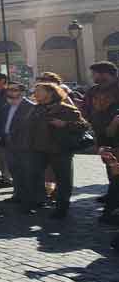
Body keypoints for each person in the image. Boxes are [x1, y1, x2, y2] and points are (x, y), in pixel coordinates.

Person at [28, 82, 90, 218]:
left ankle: (61, 209)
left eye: (39, 90)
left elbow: (84, 126)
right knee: (33, 175)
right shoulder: (36, 109)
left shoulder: (66, 109)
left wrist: (65, 124)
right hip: (39, 149)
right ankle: (36, 202)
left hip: (60, 150)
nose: (35, 93)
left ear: (50, 93)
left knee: (63, 180)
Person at [79, 61, 119, 224]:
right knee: (109, 165)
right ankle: (112, 192)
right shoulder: (93, 91)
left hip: (117, 135)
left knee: (116, 167)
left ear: (105, 73)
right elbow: (86, 110)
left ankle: (113, 203)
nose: (92, 77)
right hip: (102, 135)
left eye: (94, 74)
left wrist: (114, 123)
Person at [0, 84, 40, 212]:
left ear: (22, 92)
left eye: (14, 90)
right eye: (9, 90)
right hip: (8, 143)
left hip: (24, 144)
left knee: (27, 172)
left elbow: (32, 128)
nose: (10, 93)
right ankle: (18, 195)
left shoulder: (31, 107)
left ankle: (30, 200)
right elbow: (2, 123)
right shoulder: (6, 106)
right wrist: (0, 135)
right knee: (14, 170)